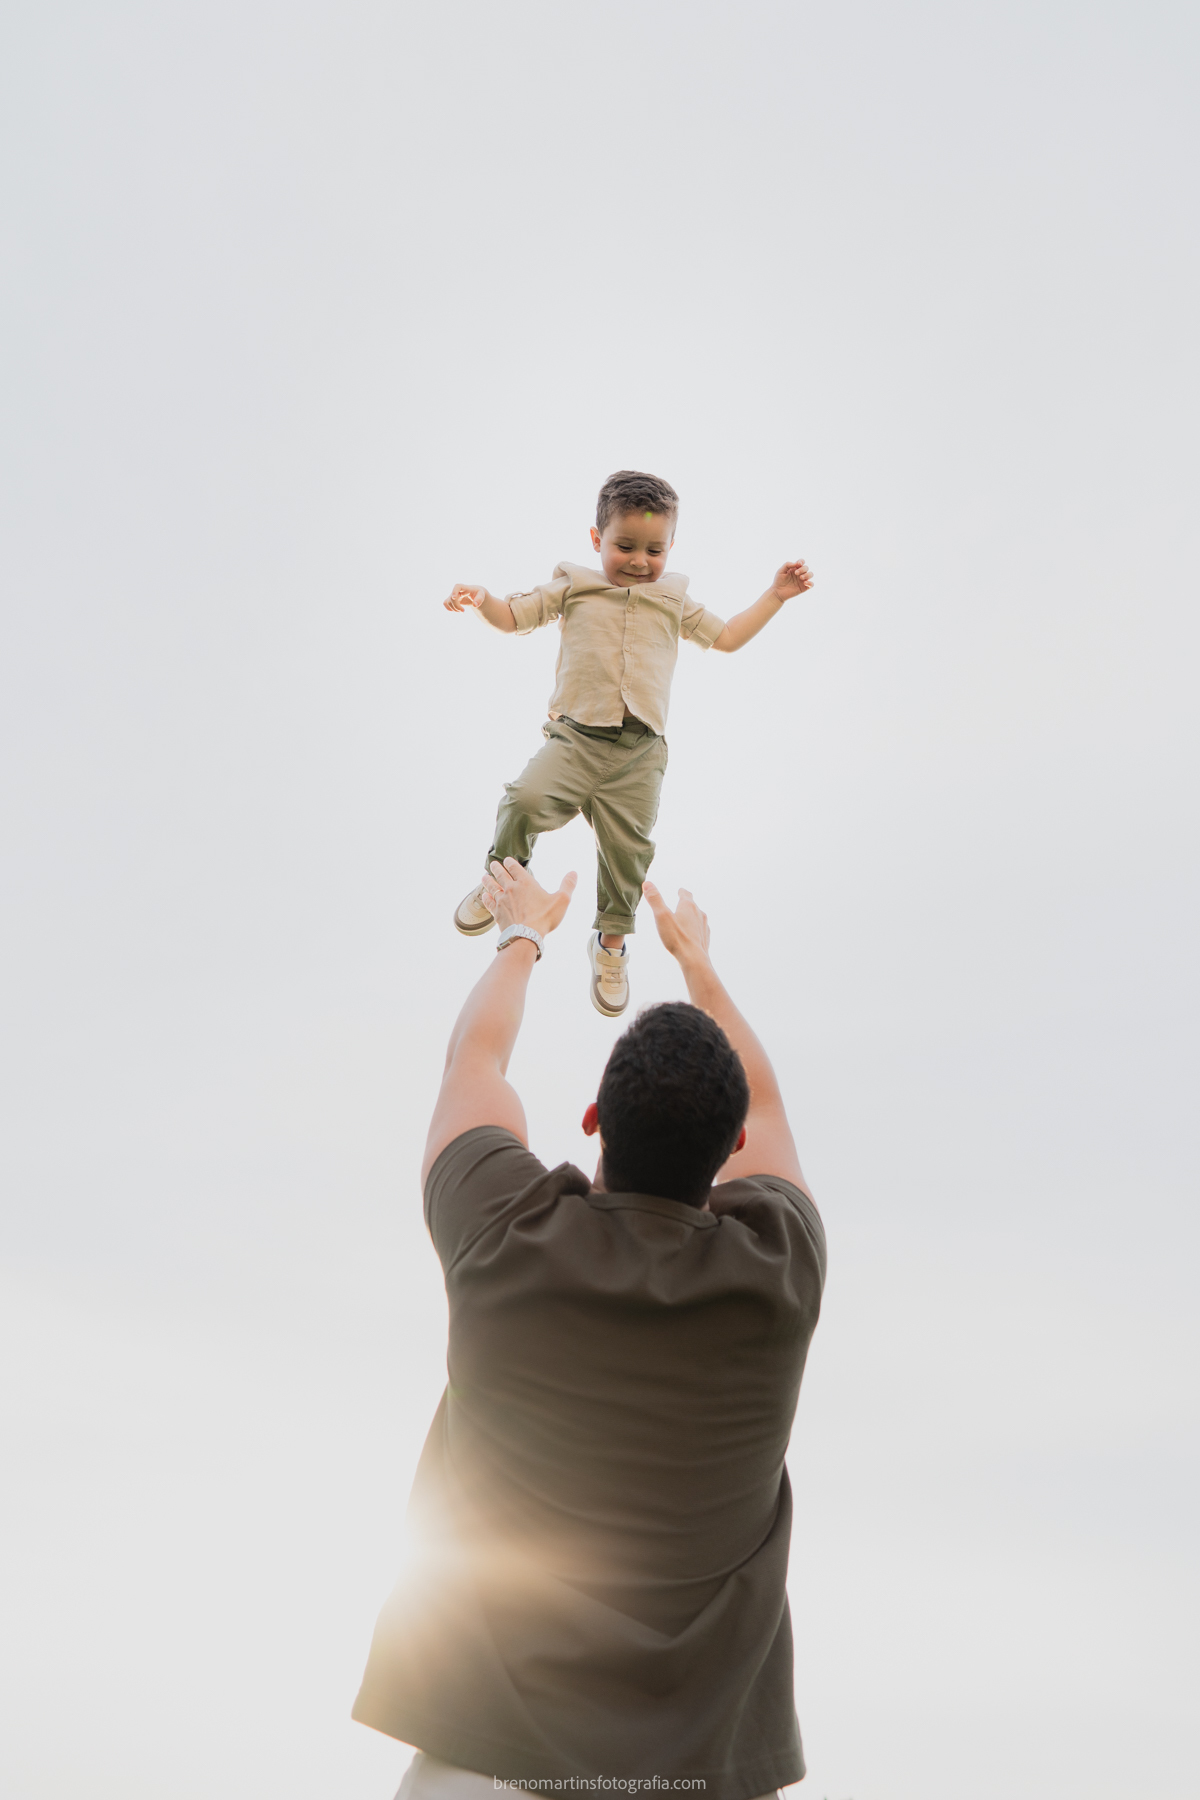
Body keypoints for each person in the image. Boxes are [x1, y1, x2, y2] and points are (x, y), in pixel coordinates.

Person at [352, 857, 827, 1800]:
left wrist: (523, 937)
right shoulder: (780, 1272)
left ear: (593, 1117)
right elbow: (767, 1104)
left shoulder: (502, 1233)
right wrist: (699, 965)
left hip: (485, 1766)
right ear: (731, 1152)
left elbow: (474, 1064)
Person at [443, 468, 814, 1017]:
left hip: (640, 753)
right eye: (624, 546)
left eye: (653, 549)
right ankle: (503, 878)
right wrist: (482, 599)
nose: (640, 561)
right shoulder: (573, 585)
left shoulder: (673, 600)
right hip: (576, 740)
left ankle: (610, 944)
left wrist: (775, 596)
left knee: (628, 856)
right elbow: (514, 617)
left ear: (670, 548)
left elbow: (729, 637)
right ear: (597, 540)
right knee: (522, 800)